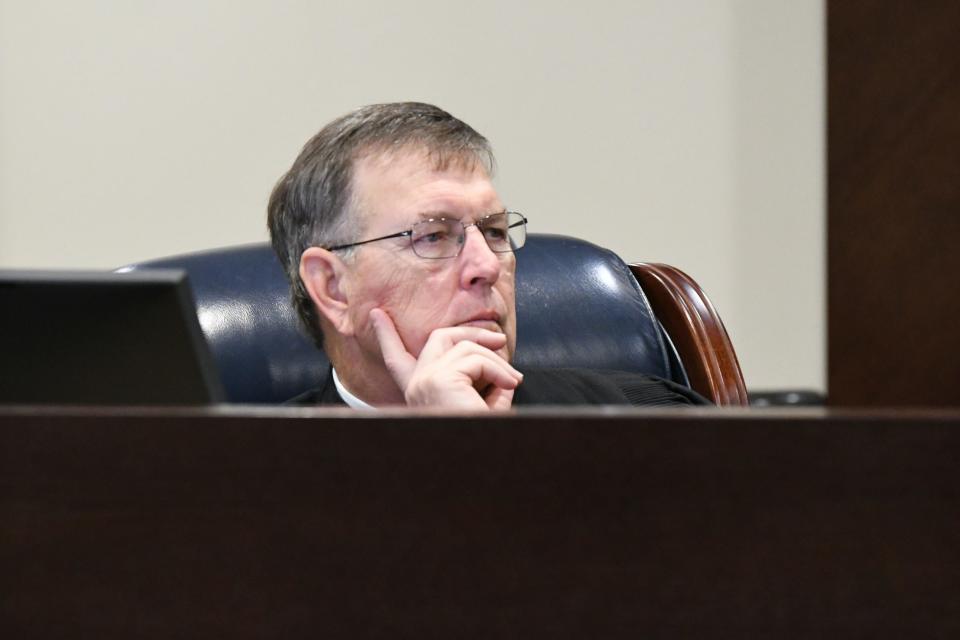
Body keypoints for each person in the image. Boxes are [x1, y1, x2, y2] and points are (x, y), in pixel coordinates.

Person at [267, 102, 707, 409]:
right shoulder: (249, 482)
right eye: (434, 237)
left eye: (495, 231)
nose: (488, 265)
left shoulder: (643, 419)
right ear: (333, 288)